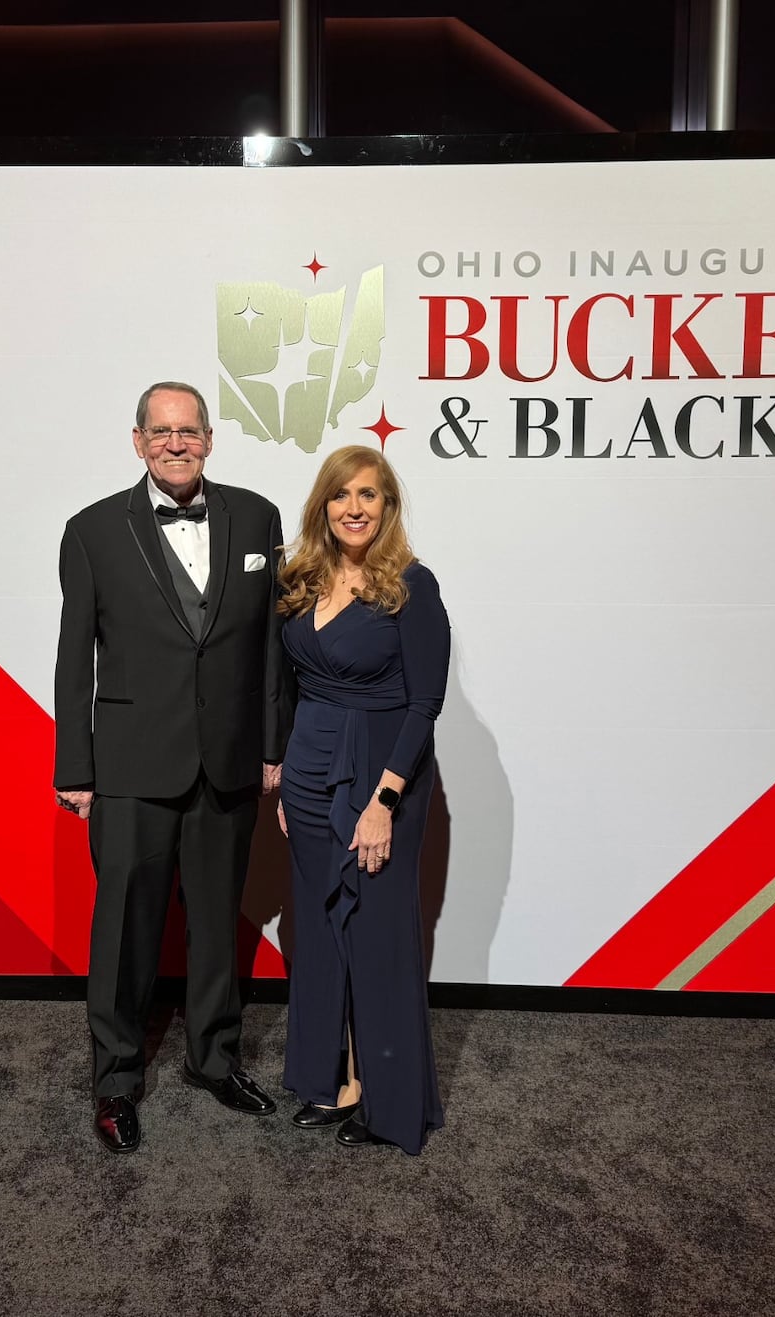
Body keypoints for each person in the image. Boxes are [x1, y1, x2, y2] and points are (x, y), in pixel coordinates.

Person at [54, 381, 289, 1154]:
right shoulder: (90, 531)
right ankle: (116, 1081)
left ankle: (213, 1059)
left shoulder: (257, 517)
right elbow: (72, 660)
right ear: (137, 441)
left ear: (211, 439)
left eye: (189, 432)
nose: (176, 444)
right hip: (128, 767)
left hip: (225, 763)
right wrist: (75, 767)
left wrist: (270, 748)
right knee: (125, 933)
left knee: (218, 925)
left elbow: (267, 651)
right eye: (162, 433)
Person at [275, 444, 450, 1154]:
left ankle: (390, 1103)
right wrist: (288, 775)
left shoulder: (411, 584)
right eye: (343, 494)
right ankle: (335, 1080)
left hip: (381, 776)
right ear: (323, 504)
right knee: (320, 930)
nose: (355, 507)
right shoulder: (301, 580)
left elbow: (424, 702)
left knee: (377, 938)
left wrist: (384, 799)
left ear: (388, 506)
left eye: (370, 495)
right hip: (310, 772)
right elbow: (291, 688)